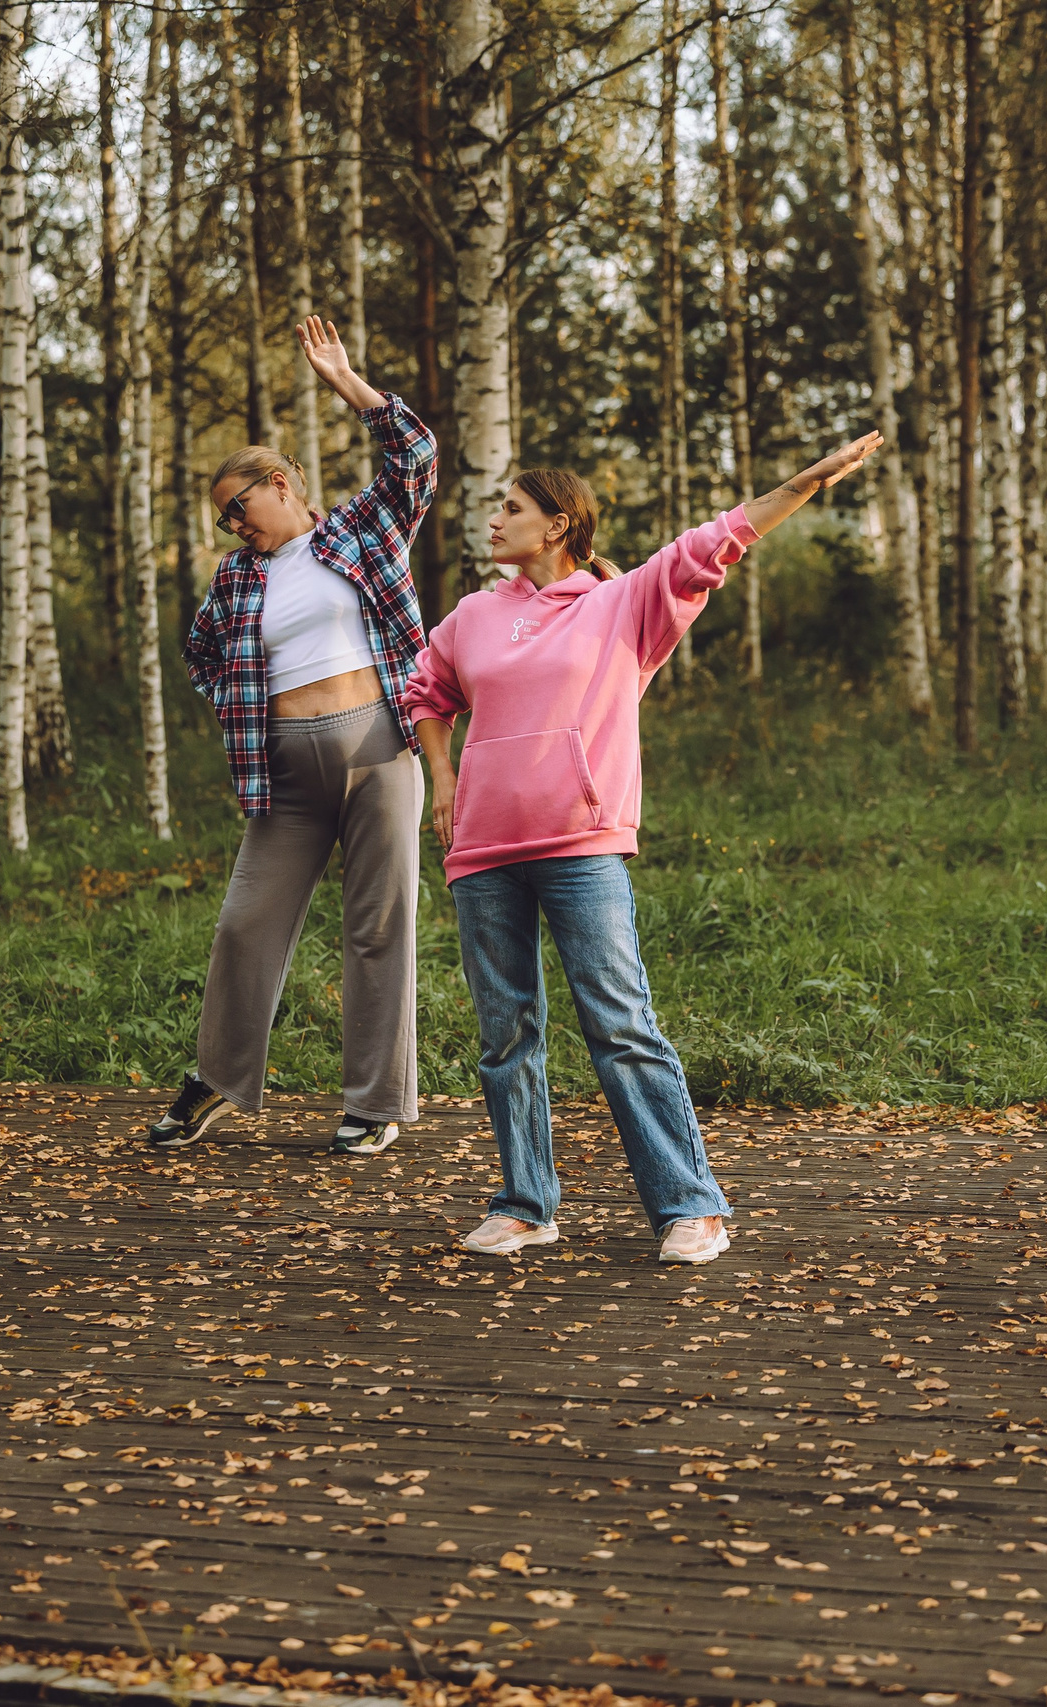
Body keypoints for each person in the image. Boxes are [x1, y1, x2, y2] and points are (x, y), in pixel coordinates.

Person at [402, 436, 879, 1264]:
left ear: (557, 525)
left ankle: (690, 1206)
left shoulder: (623, 602)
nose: (493, 519)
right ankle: (525, 1203)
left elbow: (719, 537)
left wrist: (801, 481)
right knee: (503, 1033)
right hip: (481, 851)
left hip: (581, 843)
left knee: (620, 1024)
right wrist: (441, 777)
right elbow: (426, 691)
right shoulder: (475, 614)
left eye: (509, 509)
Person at [149, 317, 435, 1161]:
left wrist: (349, 383)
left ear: (279, 484)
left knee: (379, 925)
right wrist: (243, 708)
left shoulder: (358, 531)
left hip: (377, 747)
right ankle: (218, 1080)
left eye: (237, 507)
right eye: (223, 519)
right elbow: (201, 651)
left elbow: (414, 454)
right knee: (246, 923)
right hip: (283, 770)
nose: (233, 526)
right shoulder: (239, 577)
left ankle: (375, 1101)